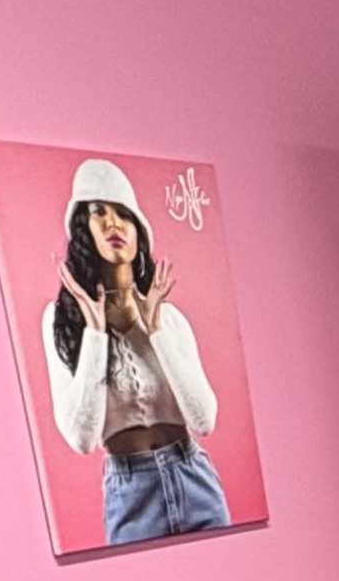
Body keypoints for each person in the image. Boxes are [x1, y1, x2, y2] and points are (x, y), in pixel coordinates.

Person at [42, 157, 228, 543]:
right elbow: (81, 439)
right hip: (131, 495)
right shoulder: (62, 322)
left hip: (195, 480)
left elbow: (204, 419)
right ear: (82, 229)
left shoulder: (170, 318)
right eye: (99, 213)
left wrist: (155, 328)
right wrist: (95, 333)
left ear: (138, 231)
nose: (113, 224)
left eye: (123, 215)